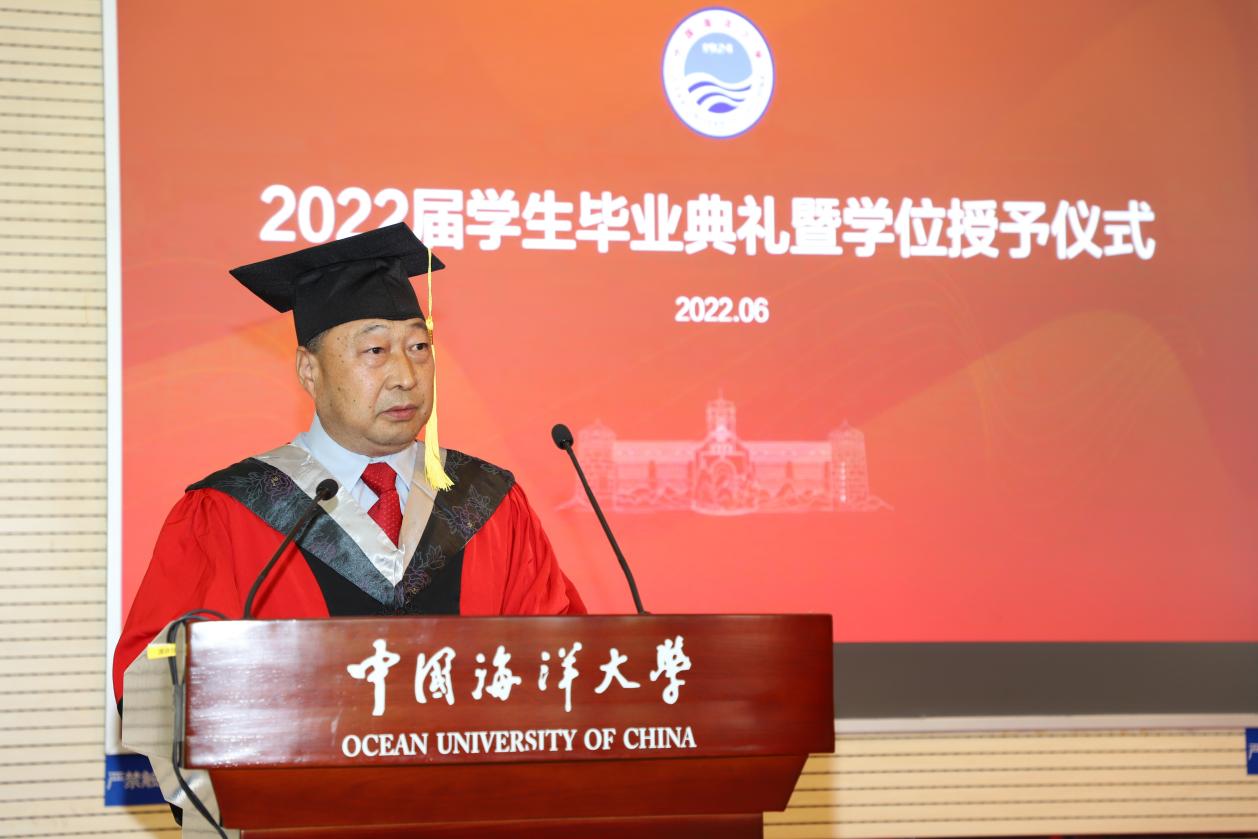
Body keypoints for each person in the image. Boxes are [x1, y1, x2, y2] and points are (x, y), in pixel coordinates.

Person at [112, 223, 585, 702]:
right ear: (309, 370)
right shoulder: (229, 512)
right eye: (375, 351)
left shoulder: (487, 501)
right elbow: (154, 683)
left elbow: (567, 664)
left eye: (419, 348)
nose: (405, 376)